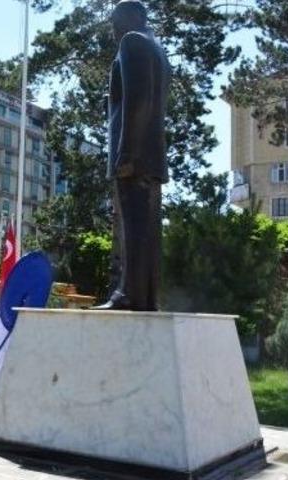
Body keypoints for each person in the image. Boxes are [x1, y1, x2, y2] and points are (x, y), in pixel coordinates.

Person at [93, 0, 171, 311]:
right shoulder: (157, 49)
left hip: (134, 156)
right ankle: (146, 296)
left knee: (133, 229)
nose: (114, 28)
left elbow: (137, 99)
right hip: (151, 155)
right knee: (147, 230)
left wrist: (125, 153)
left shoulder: (132, 41)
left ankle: (127, 294)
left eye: (117, 20)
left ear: (135, 17)